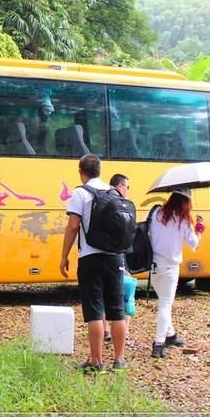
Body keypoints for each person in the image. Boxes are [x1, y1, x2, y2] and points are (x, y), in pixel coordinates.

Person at [60, 155, 128, 373]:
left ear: (81, 171)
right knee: (117, 310)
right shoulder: (114, 192)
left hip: (90, 257)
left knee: (95, 311)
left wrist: (64, 256)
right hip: (115, 257)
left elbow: (73, 227)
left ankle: (97, 362)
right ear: (99, 171)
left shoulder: (80, 193)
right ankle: (119, 361)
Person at [148, 187, 203, 358]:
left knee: (164, 302)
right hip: (170, 267)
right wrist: (200, 228)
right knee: (165, 305)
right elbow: (193, 244)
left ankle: (171, 335)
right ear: (186, 203)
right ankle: (159, 344)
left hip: (153, 265)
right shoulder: (184, 221)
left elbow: (144, 229)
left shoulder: (156, 212)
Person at [103, 174, 133, 344]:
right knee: (125, 297)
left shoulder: (103, 202)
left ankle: (106, 330)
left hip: (102, 257)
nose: (128, 191)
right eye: (127, 187)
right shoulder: (123, 207)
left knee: (103, 296)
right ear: (120, 186)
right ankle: (123, 333)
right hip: (118, 258)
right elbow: (126, 238)